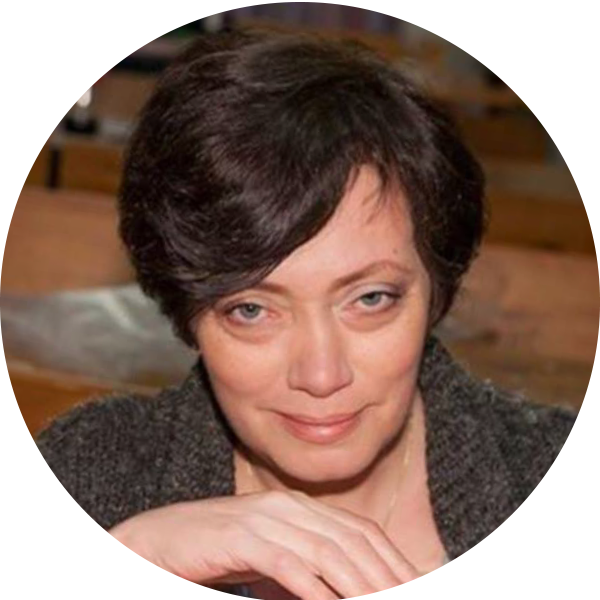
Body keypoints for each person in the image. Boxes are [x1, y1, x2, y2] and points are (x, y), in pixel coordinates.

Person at [0, 31, 586, 600]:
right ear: (186, 309)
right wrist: (116, 571)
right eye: (252, 310)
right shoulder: (88, 481)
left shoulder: (561, 486)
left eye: (370, 299)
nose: (321, 374)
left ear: (436, 289)